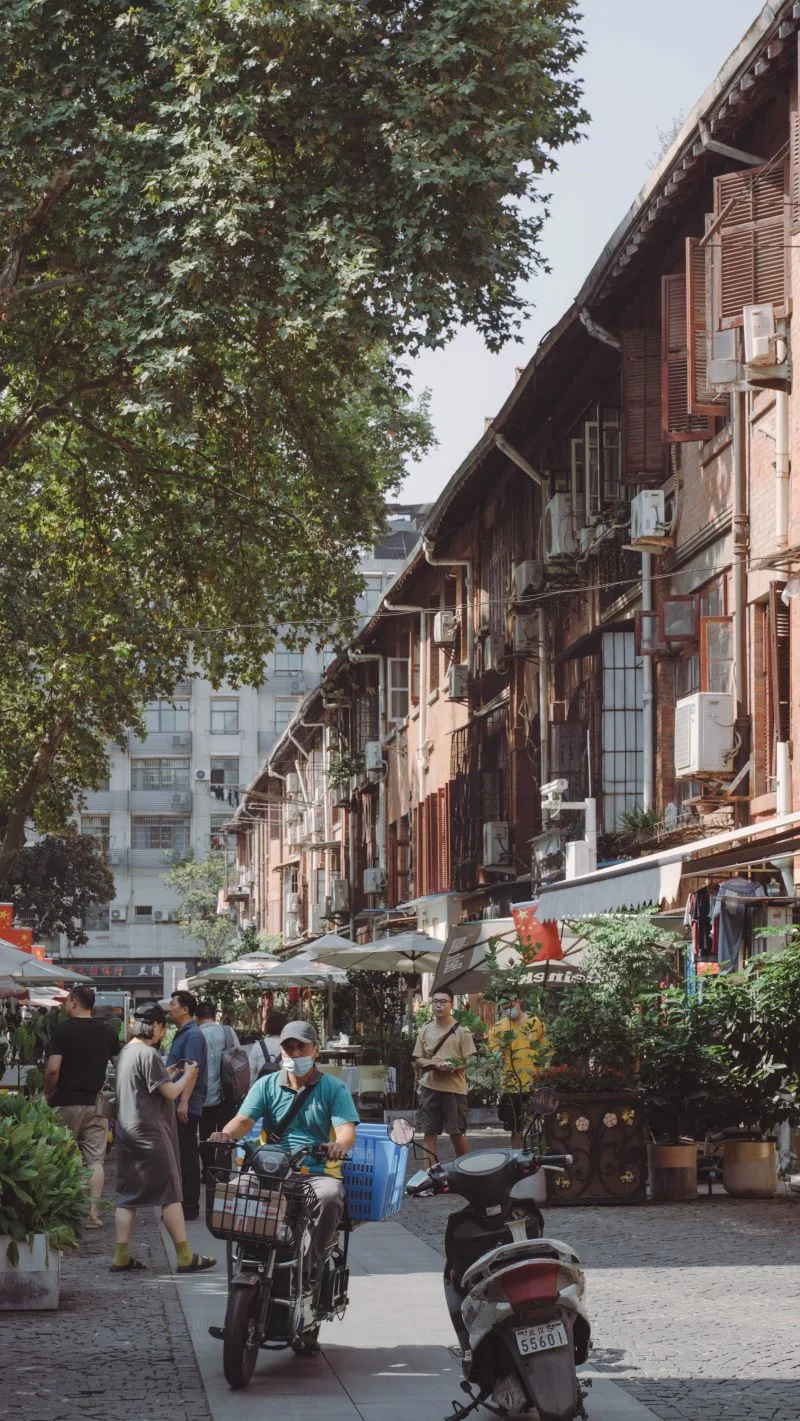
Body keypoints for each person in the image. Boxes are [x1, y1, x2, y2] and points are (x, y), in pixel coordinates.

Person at [210, 1021, 358, 1285]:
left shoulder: (334, 1088)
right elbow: (243, 1121)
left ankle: (308, 1267)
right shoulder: (266, 1084)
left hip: (316, 1170)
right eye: (289, 1048)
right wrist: (225, 1134)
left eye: (301, 1048)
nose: (295, 1054)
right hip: (269, 1170)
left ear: (315, 1051)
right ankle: (246, 1255)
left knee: (330, 1197)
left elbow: (346, 1131)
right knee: (234, 1190)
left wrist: (339, 1146)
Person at [112, 1001, 215, 1273]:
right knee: (170, 1195)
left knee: (127, 1196)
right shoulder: (149, 1054)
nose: (162, 1034)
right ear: (155, 1025)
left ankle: (120, 1256)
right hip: (151, 1134)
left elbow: (148, 1084)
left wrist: (170, 1073)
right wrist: (188, 1075)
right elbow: (170, 1093)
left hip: (127, 1131)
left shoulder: (127, 1052)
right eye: (162, 1028)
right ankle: (184, 1256)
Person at [43, 985, 122, 1228]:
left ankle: (62, 1214)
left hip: (65, 1102)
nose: (66, 1005)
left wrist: (47, 1092)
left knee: (61, 1156)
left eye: (67, 1001)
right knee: (95, 1161)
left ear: (74, 1002)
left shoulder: (62, 1030)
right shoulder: (107, 1031)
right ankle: (93, 1214)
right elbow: (121, 1066)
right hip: (96, 1104)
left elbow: (54, 1068)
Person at [412, 986, 476, 1162]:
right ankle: (429, 1176)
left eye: (443, 1002)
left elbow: (470, 1059)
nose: (438, 1006)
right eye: (435, 1002)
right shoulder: (425, 1029)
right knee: (429, 1133)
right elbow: (418, 1057)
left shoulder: (462, 1031)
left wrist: (454, 1066)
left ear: (451, 1004)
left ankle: (467, 1171)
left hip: (455, 1090)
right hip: (429, 1088)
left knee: (457, 1133)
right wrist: (430, 1063)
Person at [165, 990, 208, 1221]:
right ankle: (183, 1203)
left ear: (185, 1009)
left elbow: (192, 1070)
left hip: (186, 1104)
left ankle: (189, 1206)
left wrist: (183, 1103)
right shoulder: (183, 1033)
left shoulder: (193, 1035)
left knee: (187, 1154)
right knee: (181, 1153)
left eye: (173, 1004)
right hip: (179, 1101)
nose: (169, 1008)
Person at [488, 995, 548, 1149]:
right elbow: (494, 1057)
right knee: (516, 1129)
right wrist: (501, 1046)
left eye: (510, 1005)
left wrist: (543, 1071)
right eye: (504, 1007)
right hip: (511, 1085)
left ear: (519, 1001)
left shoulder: (535, 1022)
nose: (508, 1009)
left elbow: (545, 1050)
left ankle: (539, 1159)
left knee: (540, 1126)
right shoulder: (498, 1027)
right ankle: (518, 1162)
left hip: (535, 1082)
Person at [196, 999, 241, 1141]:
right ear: (215, 1016)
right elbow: (239, 1057)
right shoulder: (228, 1031)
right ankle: (223, 1163)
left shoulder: (195, 1034)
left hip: (203, 1095)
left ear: (197, 1017)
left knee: (205, 1134)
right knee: (226, 1134)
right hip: (227, 1092)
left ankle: (209, 1163)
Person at [246, 1010, 286, 1085]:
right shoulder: (287, 1046)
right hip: (281, 1089)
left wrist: (251, 1090)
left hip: (261, 1087)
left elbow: (251, 1071)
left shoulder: (258, 1045)